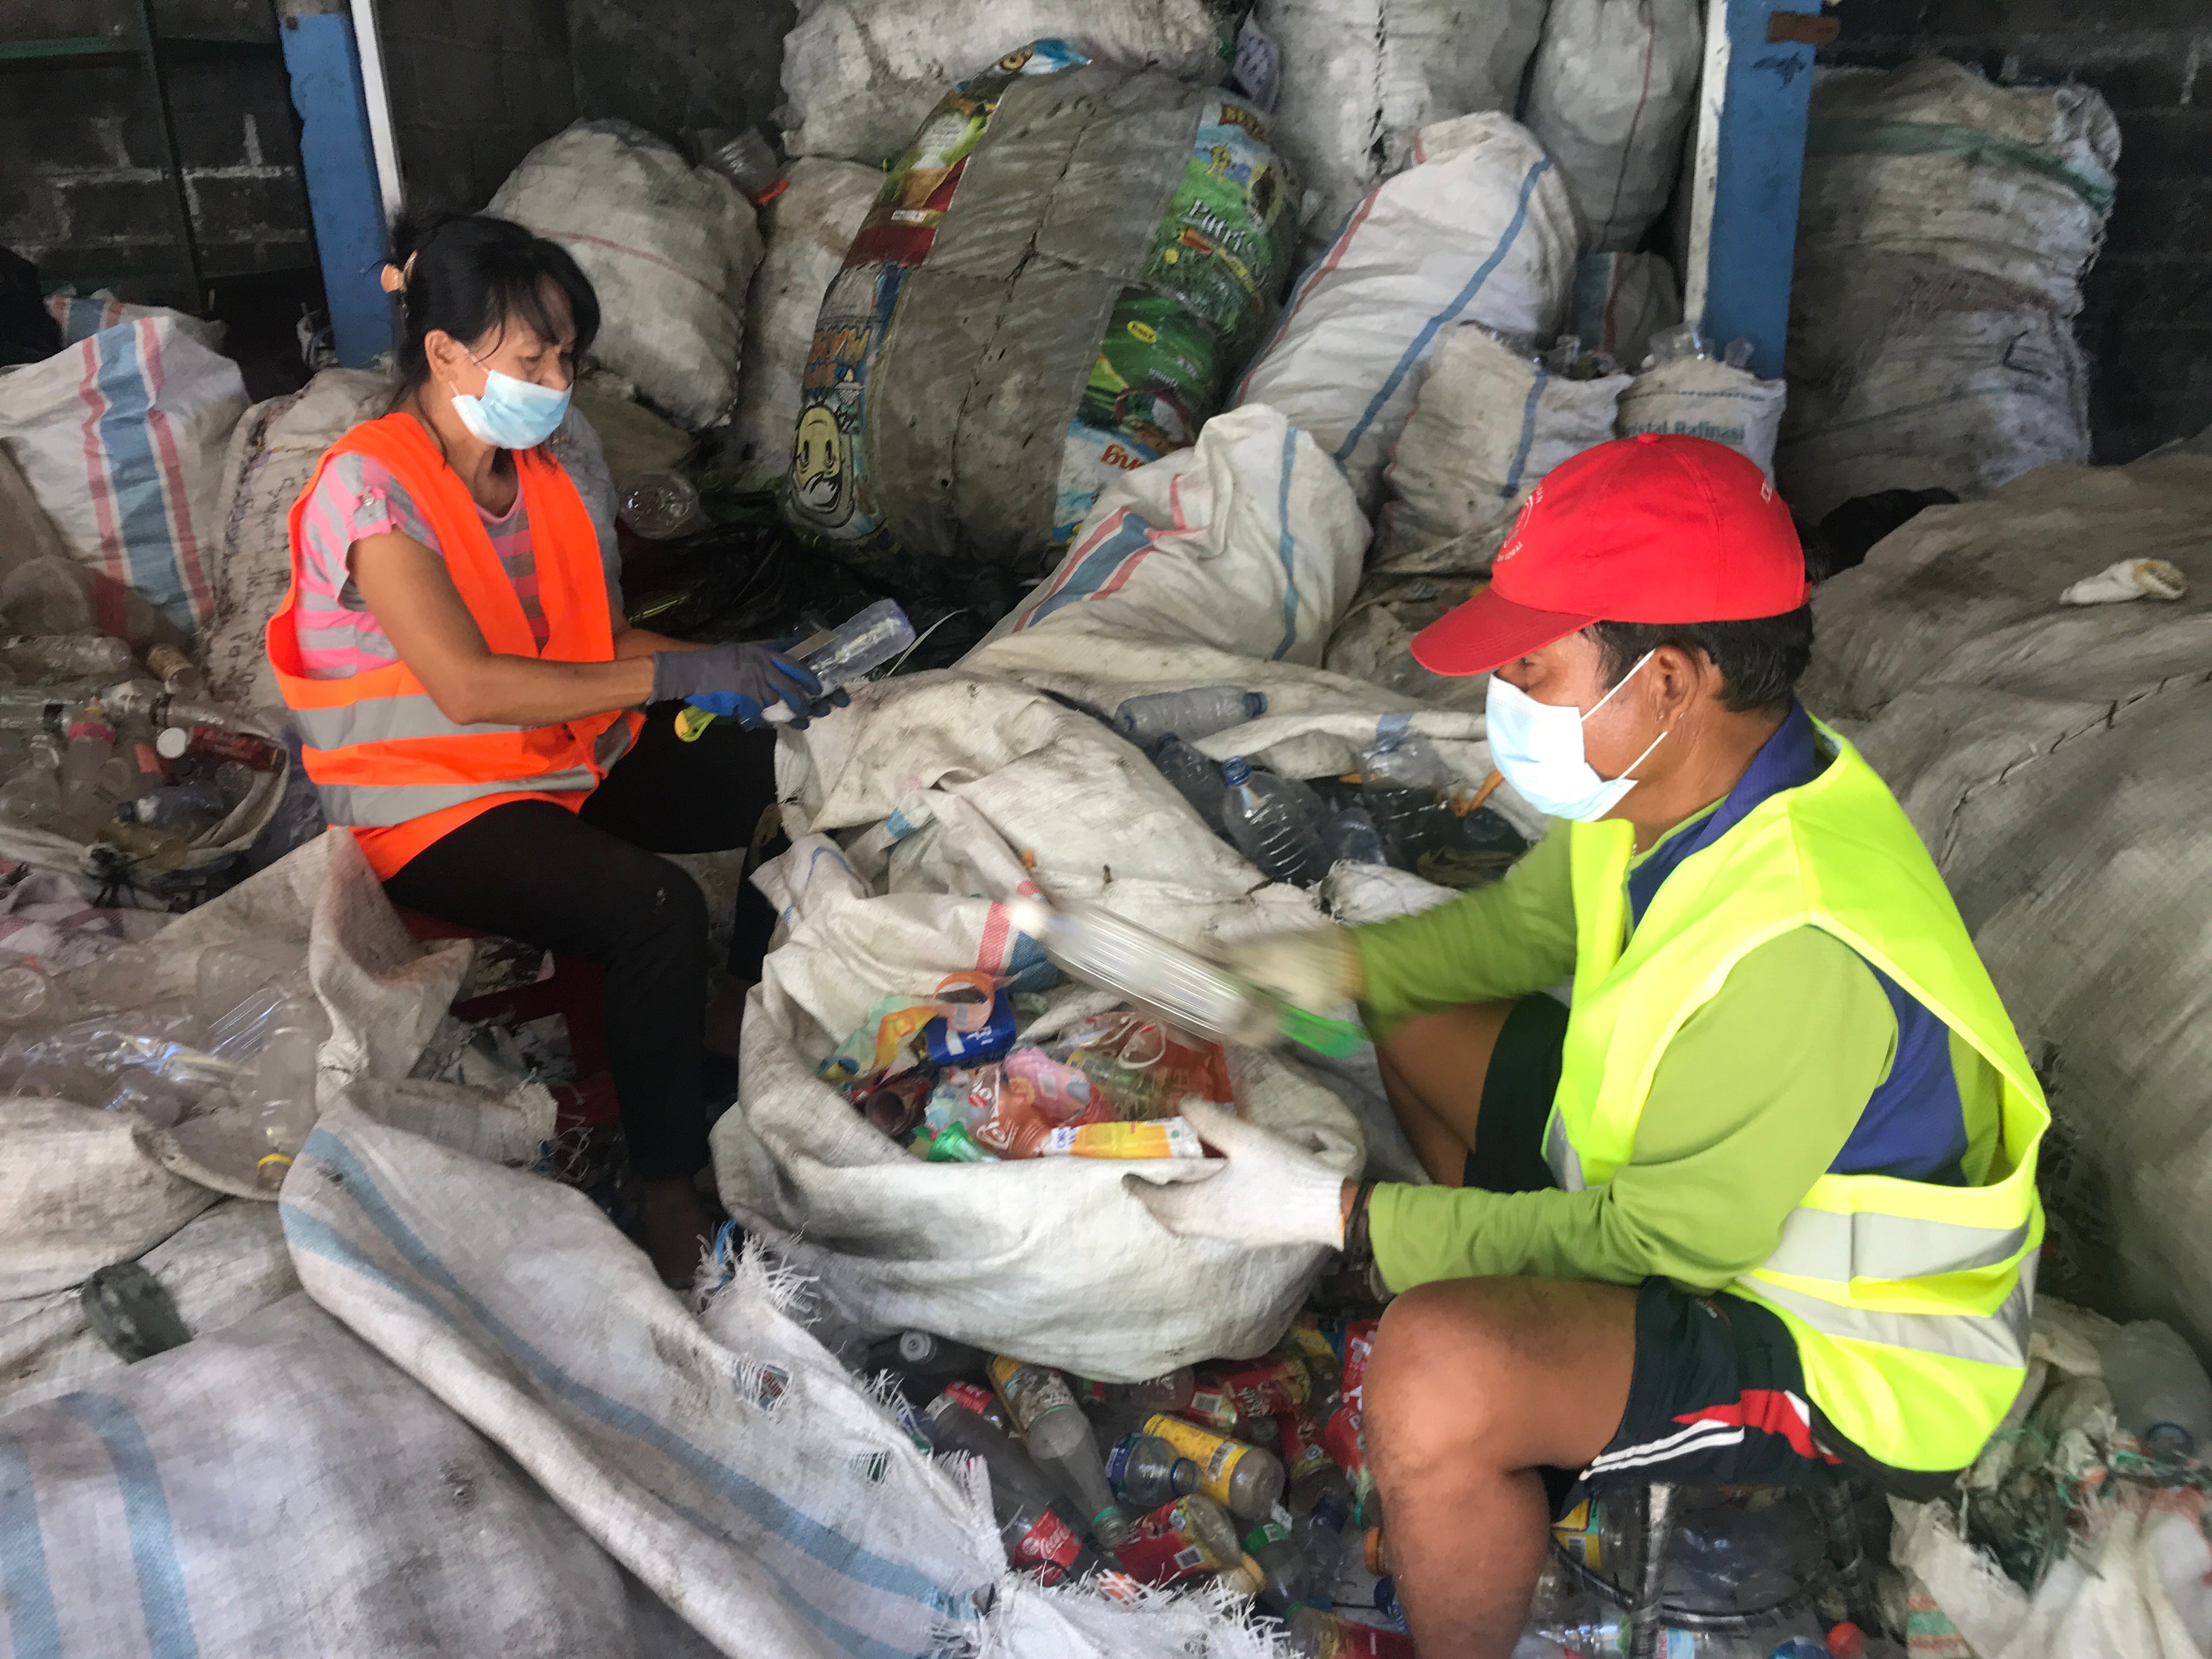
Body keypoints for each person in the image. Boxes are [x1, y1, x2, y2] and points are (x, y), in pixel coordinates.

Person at [1128, 435, 2047, 1659]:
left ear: (1667, 680)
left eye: (1533, 667)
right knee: (1418, 1017)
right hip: (1678, 1212)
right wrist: (1334, 976)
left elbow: (1649, 1245)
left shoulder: (1801, 939)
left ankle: (1479, 1458)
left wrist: (1334, 1215)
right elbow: (1517, 931)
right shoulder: (1674, 786)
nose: (1502, 697)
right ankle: (1521, 1403)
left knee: (1432, 1373)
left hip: (1841, 1349)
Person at [267, 214, 840, 1284]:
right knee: (655, 910)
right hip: (428, 804)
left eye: (566, 354)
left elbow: (592, 641)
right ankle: (666, 1192)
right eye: (532, 357)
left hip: (560, 756)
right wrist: (674, 679)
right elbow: (467, 684)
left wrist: (732, 664)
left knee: (795, 778)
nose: (556, 377)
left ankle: (729, 1024)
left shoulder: (549, 462)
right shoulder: (370, 488)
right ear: (446, 354)